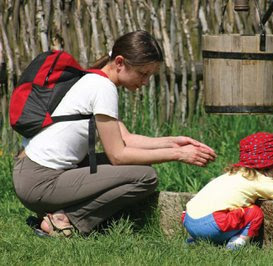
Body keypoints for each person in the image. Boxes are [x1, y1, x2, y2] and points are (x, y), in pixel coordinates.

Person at [12, 30, 216, 237]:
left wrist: (175, 143)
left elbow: (126, 139)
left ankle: (56, 214)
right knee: (145, 177)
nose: (145, 82)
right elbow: (117, 155)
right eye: (143, 73)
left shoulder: (92, 79)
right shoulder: (103, 87)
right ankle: (65, 220)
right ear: (119, 62)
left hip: (28, 174)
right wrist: (179, 155)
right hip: (40, 182)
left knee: (140, 167)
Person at [182, 132, 273, 250]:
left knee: (232, 211)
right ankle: (236, 244)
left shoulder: (232, 174)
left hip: (188, 221)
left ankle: (196, 240)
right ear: (267, 168)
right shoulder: (261, 180)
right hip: (212, 225)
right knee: (254, 212)